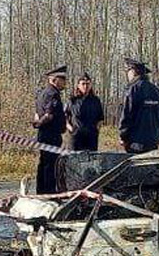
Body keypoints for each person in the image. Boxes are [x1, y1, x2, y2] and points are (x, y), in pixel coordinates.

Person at [117, 57, 159, 154]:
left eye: (128, 70)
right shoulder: (156, 90)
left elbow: (126, 115)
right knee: (150, 167)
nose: (127, 74)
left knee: (135, 167)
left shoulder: (132, 90)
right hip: (153, 140)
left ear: (133, 71)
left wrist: (123, 136)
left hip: (135, 142)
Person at [32, 65, 68, 193]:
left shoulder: (42, 93)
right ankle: (49, 193)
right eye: (62, 79)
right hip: (51, 135)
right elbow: (49, 115)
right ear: (54, 79)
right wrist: (38, 124)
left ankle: (41, 191)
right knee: (51, 165)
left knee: (44, 163)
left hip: (44, 134)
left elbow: (37, 113)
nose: (64, 82)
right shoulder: (53, 94)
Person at [66, 71, 105, 152]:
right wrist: (70, 128)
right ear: (78, 85)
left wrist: (96, 129)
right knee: (74, 161)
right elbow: (65, 117)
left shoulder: (95, 101)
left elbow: (101, 118)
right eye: (83, 84)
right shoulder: (73, 100)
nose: (85, 86)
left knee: (90, 162)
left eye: (87, 83)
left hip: (91, 137)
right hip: (76, 137)